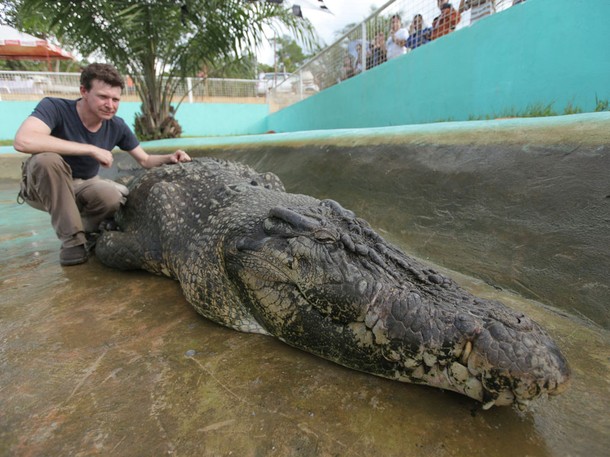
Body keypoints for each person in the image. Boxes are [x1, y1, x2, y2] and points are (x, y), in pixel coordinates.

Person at [13, 63, 192, 266]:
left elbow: (145, 160)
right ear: (84, 91)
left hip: (82, 184)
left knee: (113, 195)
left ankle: (86, 230)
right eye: (103, 97)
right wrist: (90, 148)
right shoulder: (54, 107)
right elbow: (23, 140)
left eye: (115, 99)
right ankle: (72, 242)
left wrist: (170, 157)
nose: (110, 105)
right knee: (47, 160)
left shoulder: (117, 125)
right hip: (42, 186)